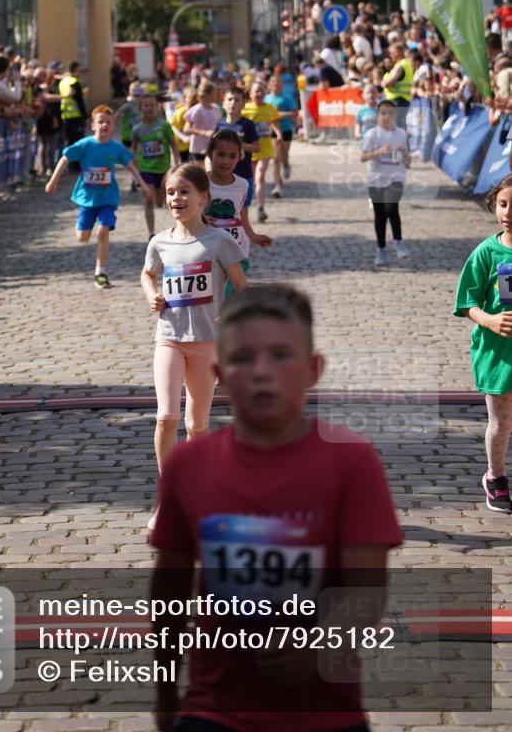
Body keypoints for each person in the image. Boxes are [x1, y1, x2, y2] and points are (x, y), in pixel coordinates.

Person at [150, 283, 403, 732]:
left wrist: (321, 646)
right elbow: (168, 590)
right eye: (244, 358)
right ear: (219, 373)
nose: (262, 372)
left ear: (313, 369)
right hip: (214, 710)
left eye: (281, 356)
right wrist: (165, 695)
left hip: (326, 712)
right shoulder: (188, 466)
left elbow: (368, 590)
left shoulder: (351, 460)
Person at [140, 164, 247, 485]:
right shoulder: (159, 243)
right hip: (169, 339)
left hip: (206, 345)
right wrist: (152, 295)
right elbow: (147, 274)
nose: (176, 198)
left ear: (204, 198)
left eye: (184, 192)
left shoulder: (218, 242)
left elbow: (242, 286)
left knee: (197, 424)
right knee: (166, 416)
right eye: (170, 192)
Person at [454, 175, 512, 513]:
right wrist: (489, 320)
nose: (508, 213)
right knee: (501, 422)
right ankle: (496, 477)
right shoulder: (486, 253)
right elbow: (466, 302)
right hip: (496, 353)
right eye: (503, 204)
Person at [45, 105, 151, 289]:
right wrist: (53, 181)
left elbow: (130, 165)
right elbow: (65, 158)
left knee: (103, 231)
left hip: (107, 198)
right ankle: (84, 227)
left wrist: (142, 185)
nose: (104, 125)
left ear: (112, 125)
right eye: (100, 122)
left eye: (108, 122)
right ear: (93, 125)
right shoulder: (85, 145)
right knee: (83, 238)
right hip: (87, 198)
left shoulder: (115, 148)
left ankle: (100, 272)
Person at [205, 129, 272, 294]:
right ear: (209, 153)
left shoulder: (242, 184)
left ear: (239, 157)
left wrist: (253, 236)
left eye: (232, 156)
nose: (226, 161)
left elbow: (240, 215)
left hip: (237, 247)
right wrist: (200, 219)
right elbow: (188, 214)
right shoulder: (200, 182)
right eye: (220, 154)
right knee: (213, 295)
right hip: (209, 249)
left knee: (232, 293)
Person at [360, 101, 411, 266]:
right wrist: (380, 152)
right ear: (377, 116)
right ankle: (381, 249)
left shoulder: (402, 133)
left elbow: (408, 160)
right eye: (383, 113)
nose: (386, 117)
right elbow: (363, 157)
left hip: (396, 178)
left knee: (391, 208)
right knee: (379, 216)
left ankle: (398, 242)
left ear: (395, 115)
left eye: (390, 113)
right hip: (376, 179)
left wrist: (405, 155)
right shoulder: (372, 134)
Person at [132, 93, 181, 238]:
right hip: (145, 169)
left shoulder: (164, 126)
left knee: (161, 202)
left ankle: (178, 227)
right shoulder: (137, 129)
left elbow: (174, 145)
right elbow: (134, 149)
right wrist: (135, 171)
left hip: (163, 169)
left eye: (152, 105)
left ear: (157, 107)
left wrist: (177, 165)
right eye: (146, 105)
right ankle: (151, 233)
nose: (149, 108)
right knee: (148, 199)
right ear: (141, 108)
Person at [242, 81, 282, 223]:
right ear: (250, 94)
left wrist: (279, 134)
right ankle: (249, 203)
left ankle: (260, 208)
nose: (259, 93)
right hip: (250, 148)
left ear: (265, 93)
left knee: (260, 176)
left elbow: (273, 122)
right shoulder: (245, 109)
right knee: (252, 179)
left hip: (264, 147)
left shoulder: (270, 108)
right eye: (256, 91)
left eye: (261, 91)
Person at [215, 86, 260, 208]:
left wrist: (239, 145)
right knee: (224, 211)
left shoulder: (247, 124)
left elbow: (256, 147)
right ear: (223, 103)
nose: (233, 103)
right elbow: (212, 150)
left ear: (243, 104)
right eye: (229, 99)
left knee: (241, 214)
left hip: (243, 174)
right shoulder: (219, 124)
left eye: (237, 100)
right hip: (222, 176)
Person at [265, 73, 298, 196]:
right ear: (269, 85)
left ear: (282, 86)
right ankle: (277, 184)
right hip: (271, 131)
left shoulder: (286, 98)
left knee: (284, 155)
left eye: (278, 83)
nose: (276, 85)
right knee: (275, 157)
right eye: (273, 83)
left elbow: (295, 113)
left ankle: (286, 164)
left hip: (286, 130)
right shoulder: (266, 99)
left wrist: (281, 115)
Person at [183, 81, 222, 163]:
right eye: (214, 93)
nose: (216, 95)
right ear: (205, 95)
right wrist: (204, 133)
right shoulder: (196, 110)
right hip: (198, 150)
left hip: (212, 148)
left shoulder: (216, 108)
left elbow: (218, 125)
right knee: (199, 174)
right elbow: (186, 129)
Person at [381, 42, 414, 130]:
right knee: (399, 126)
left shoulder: (400, 65)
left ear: (398, 52)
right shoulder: (406, 64)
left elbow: (388, 83)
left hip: (398, 100)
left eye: (391, 52)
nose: (390, 55)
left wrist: (384, 82)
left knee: (397, 127)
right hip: (402, 100)